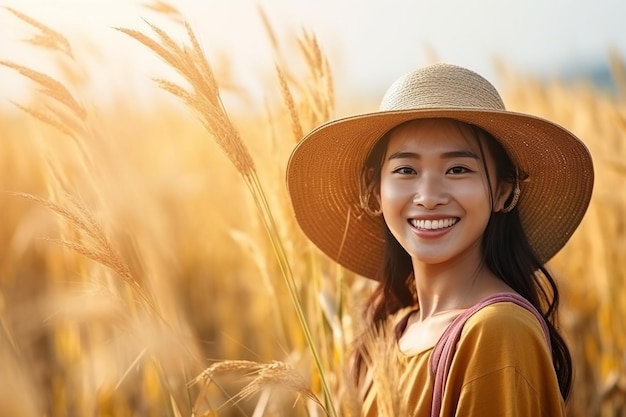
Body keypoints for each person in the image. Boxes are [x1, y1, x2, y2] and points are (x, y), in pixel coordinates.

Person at [286, 63, 594, 416]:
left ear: (502, 191)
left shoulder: (497, 332)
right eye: (406, 170)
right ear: (375, 191)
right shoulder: (389, 333)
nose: (429, 196)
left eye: (458, 169)